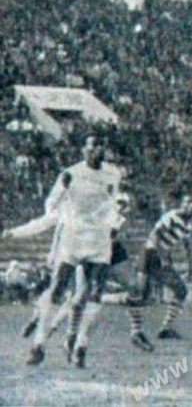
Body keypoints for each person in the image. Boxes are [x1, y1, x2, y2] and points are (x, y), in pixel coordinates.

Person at [25, 133, 123, 368]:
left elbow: (113, 203)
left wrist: (113, 222)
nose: (97, 150)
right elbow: (51, 202)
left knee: (95, 293)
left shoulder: (113, 173)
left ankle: (81, 346)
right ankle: (38, 345)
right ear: (84, 150)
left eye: (100, 146)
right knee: (57, 290)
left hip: (99, 240)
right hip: (73, 238)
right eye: (92, 146)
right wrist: (61, 214)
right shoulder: (70, 173)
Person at [127, 194, 192, 350]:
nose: (189, 206)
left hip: (158, 255)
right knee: (141, 294)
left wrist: (190, 268)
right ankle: (142, 330)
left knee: (175, 291)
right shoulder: (172, 216)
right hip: (150, 254)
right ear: (182, 204)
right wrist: (162, 257)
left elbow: (186, 247)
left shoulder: (188, 225)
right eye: (187, 203)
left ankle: (160, 329)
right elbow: (155, 235)